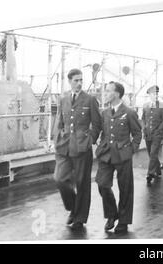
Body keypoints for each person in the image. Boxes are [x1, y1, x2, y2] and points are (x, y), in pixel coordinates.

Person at [53, 68, 102, 230]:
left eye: (81, 80)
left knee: (82, 183)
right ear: (69, 81)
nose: (79, 83)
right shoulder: (63, 99)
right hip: (64, 145)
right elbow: (59, 121)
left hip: (82, 146)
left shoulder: (90, 100)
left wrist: (90, 140)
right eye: (76, 80)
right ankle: (73, 207)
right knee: (60, 178)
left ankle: (80, 217)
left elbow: (97, 124)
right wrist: (56, 139)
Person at [95, 82, 142, 234]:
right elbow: (103, 132)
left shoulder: (129, 112)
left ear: (116, 94)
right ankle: (111, 214)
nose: (105, 94)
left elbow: (137, 134)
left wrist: (131, 150)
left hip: (123, 154)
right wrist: (101, 145)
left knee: (125, 188)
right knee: (102, 184)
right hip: (106, 153)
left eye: (108, 91)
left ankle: (123, 221)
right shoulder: (105, 113)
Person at [142, 85, 163, 184]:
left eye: (157, 93)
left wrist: (159, 130)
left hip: (157, 134)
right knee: (151, 154)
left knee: (153, 153)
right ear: (149, 95)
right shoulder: (145, 105)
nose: (155, 95)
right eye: (153, 94)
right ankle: (158, 170)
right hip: (148, 134)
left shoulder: (162, 106)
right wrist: (144, 127)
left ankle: (150, 173)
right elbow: (143, 118)